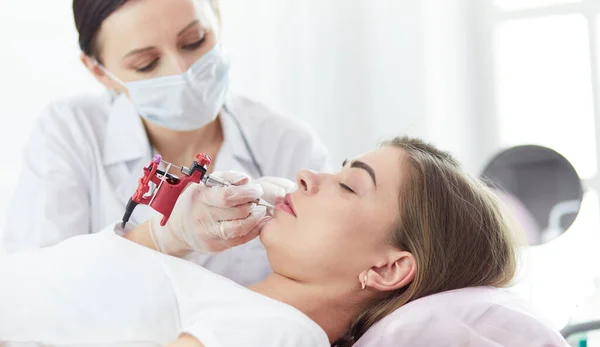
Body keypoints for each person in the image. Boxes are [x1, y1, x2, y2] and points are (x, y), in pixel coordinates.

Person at [0, 136, 552, 347]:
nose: (309, 175)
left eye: (350, 185)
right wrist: (169, 237)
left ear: (387, 269)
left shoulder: (277, 331)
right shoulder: (238, 302)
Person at [0, 0, 328, 285]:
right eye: (146, 63)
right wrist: (162, 237)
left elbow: (330, 279)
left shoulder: (288, 145)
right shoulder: (71, 132)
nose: (182, 71)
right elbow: (35, 289)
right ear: (99, 72)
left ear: (217, 17)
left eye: (194, 41)